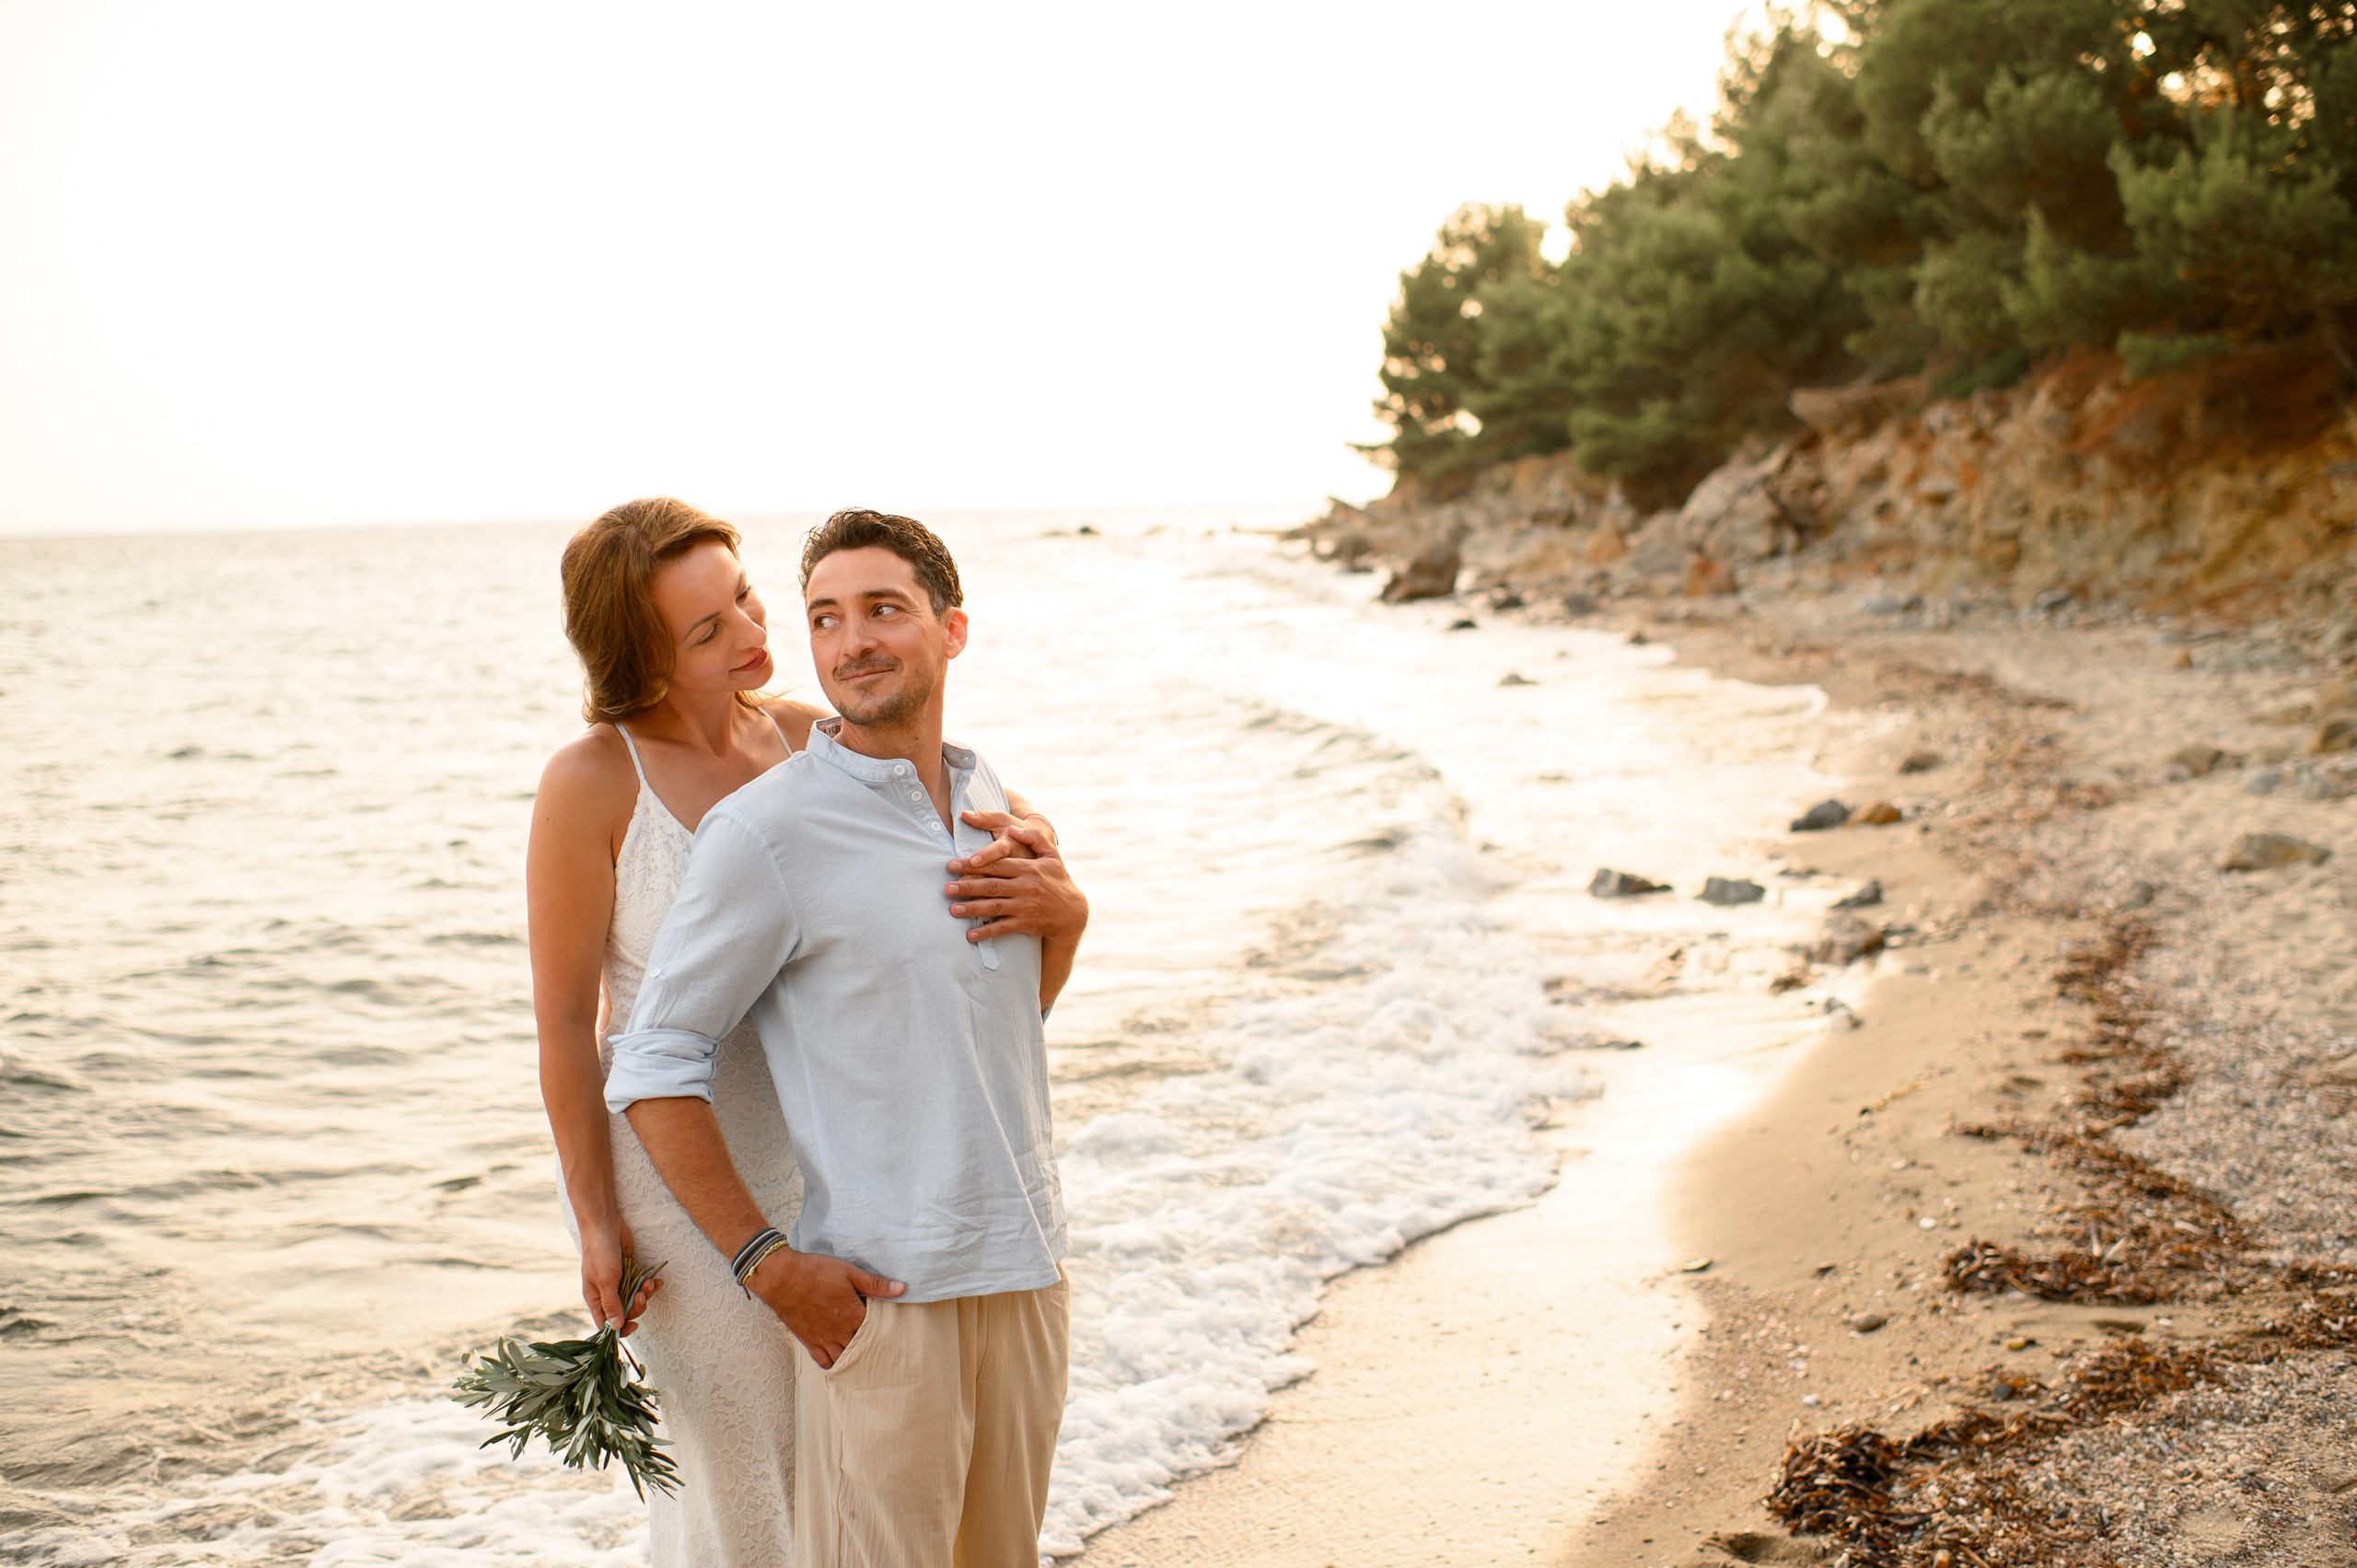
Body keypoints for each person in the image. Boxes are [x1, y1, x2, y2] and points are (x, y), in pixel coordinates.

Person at [528, 498, 1086, 1564]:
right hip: (672, 1163)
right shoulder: (592, 780)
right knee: (748, 1468)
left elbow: (935, 954)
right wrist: (598, 1219)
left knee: (842, 1463)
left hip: (821, 1134)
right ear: (645, 654)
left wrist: (1055, 895)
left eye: (743, 594)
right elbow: (570, 1024)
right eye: (708, 630)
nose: (755, 631)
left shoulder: (800, 738)